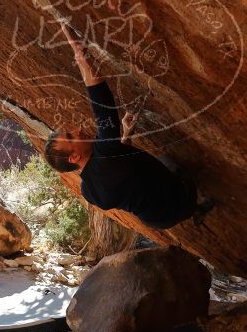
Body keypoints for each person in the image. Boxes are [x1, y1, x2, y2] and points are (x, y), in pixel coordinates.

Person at [44, 23, 213, 230]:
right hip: (179, 201)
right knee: (170, 162)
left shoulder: (89, 191)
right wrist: (80, 56)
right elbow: (103, 108)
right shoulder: (105, 155)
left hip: (158, 222)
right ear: (74, 158)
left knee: (148, 174)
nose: (77, 130)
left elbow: (119, 169)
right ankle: (195, 206)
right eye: (71, 137)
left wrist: (125, 135)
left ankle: (194, 212)